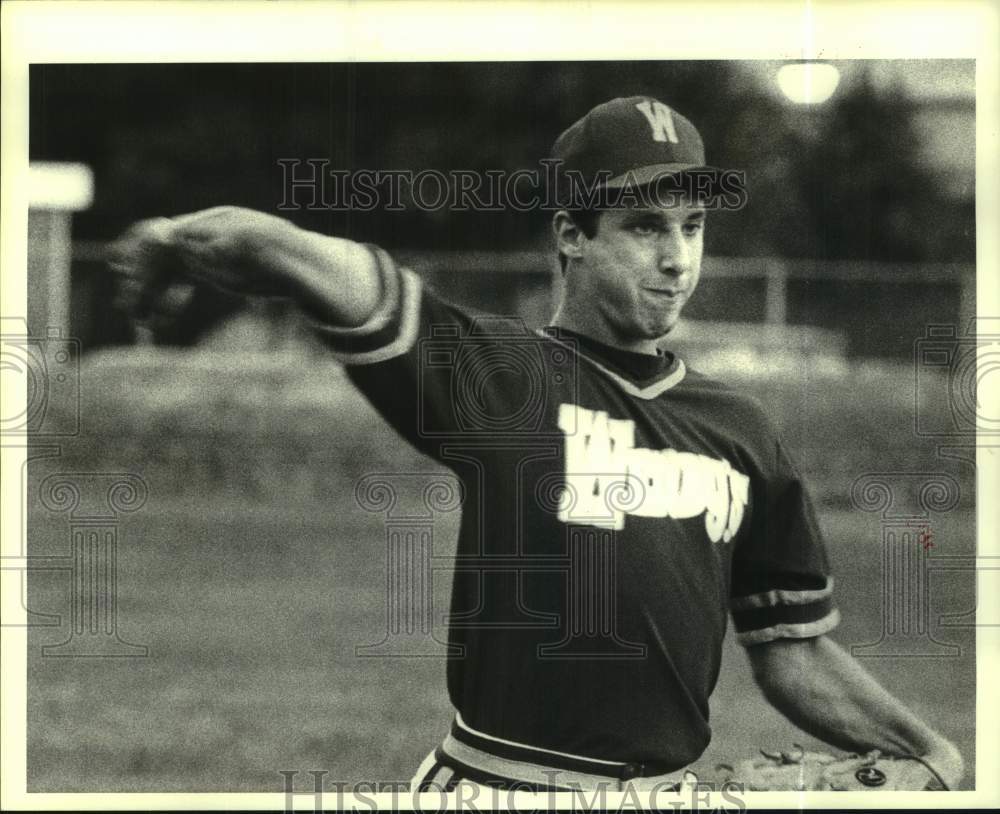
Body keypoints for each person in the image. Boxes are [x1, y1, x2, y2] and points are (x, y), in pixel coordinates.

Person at [111, 96, 965, 793]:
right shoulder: (505, 378)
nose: (677, 259)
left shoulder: (741, 430)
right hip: (501, 784)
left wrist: (935, 751)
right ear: (572, 235)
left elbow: (793, 648)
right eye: (644, 226)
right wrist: (174, 237)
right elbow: (329, 270)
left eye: (693, 226)